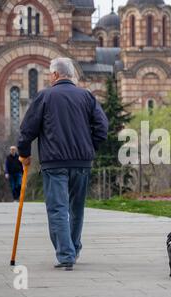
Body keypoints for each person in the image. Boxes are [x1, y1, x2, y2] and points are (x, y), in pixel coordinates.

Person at [18, 57, 108, 271]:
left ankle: (66, 254)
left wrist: (24, 154)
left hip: (54, 162)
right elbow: (102, 128)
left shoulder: (45, 96)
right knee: (76, 209)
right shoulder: (87, 96)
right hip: (81, 162)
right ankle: (73, 249)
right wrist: (89, 148)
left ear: (55, 75)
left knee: (57, 209)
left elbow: (27, 129)